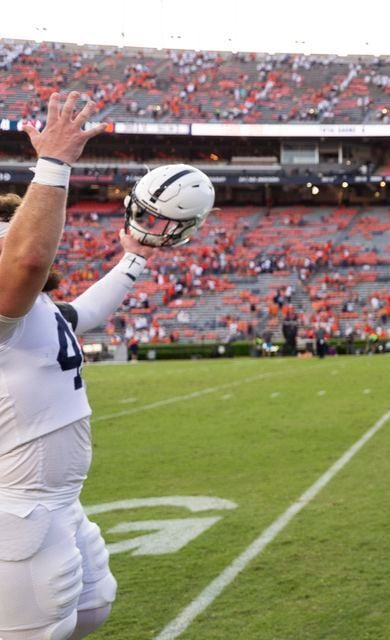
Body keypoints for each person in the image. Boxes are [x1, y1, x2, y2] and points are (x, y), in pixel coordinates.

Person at [0, 92, 155, 640]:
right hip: (18, 510)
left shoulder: (36, 311)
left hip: (57, 503)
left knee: (90, 611)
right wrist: (55, 163)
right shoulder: (7, 309)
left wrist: (134, 255)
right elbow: (25, 259)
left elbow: (84, 311)